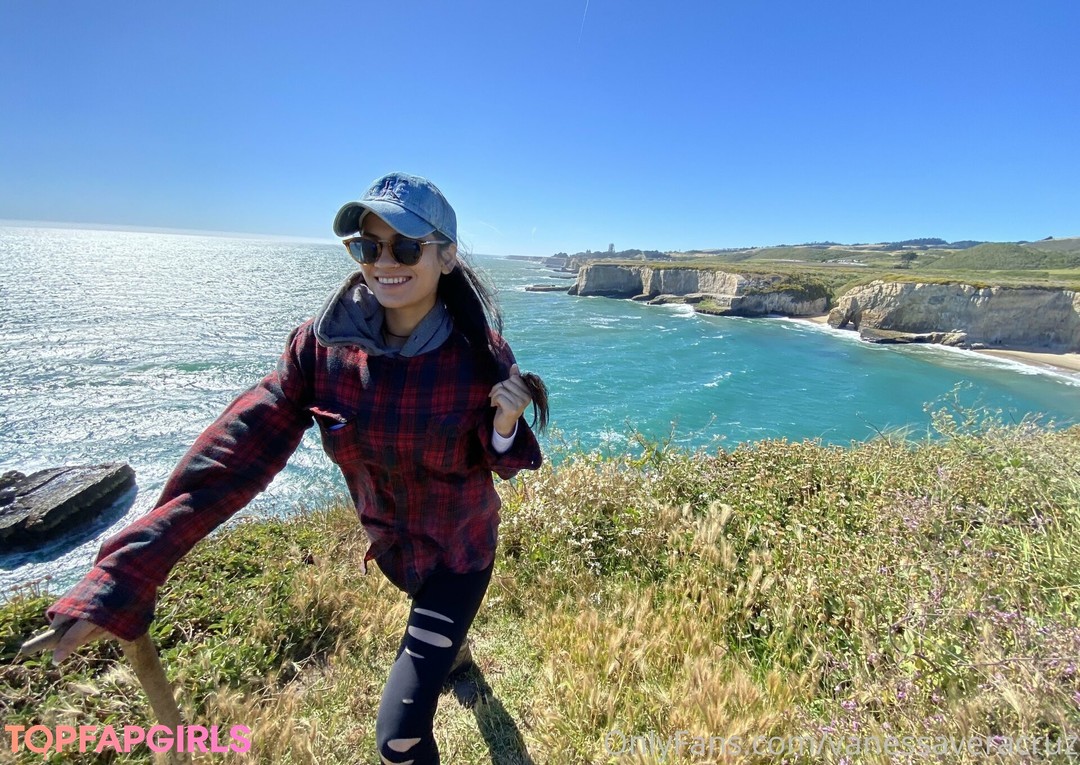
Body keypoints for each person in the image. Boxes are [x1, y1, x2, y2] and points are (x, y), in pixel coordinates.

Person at [44, 171, 549, 765]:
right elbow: (232, 457)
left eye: (407, 247)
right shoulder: (319, 350)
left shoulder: (478, 356)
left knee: (399, 739)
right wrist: (122, 573)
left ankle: (447, 649)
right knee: (435, 640)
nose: (385, 262)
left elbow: (502, 461)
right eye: (368, 247)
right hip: (395, 553)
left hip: (459, 555)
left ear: (446, 256)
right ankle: (455, 654)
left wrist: (505, 424)